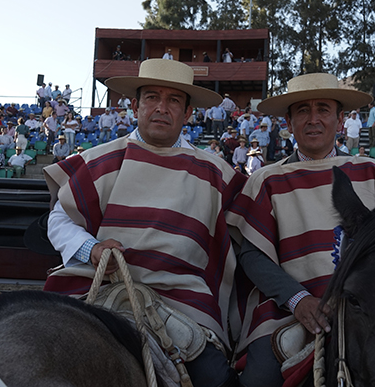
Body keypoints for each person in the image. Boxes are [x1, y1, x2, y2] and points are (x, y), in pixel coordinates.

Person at [42, 59, 246, 387]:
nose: (161, 108)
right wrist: (91, 249)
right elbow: (59, 218)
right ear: (135, 105)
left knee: (215, 379)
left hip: (183, 299)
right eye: (152, 97)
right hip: (101, 286)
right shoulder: (102, 159)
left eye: (174, 100)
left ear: (188, 113)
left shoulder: (215, 173)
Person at [225, 72, 375, 387]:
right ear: (288, 122)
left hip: (371, 310)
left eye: (323, 109)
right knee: (257, 381)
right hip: (286, 312)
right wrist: (298, 299)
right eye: (302, 110)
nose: (313, 119)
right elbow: (253, 257)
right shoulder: (266, 180)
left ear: (340, 120)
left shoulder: (374, 173)